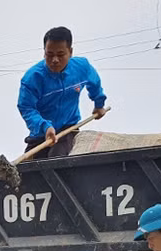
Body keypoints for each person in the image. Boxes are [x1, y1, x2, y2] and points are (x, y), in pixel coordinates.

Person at [17, 26, 107, 160]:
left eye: (60, 55)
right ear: (44, 52)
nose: (55, 60)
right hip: (41, 133)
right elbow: (26, 108)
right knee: (30, 167)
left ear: (70, 52)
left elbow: (94, 83)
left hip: (68, 129)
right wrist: (45, 127)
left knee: (56, 158)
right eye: (49, 54)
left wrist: (99, 104)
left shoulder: (82, 67)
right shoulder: (32, 78)